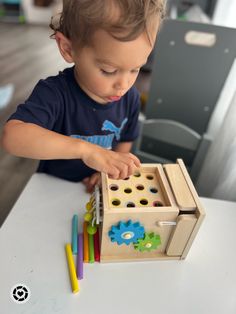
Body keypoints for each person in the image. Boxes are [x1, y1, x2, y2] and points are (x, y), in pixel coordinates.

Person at [1, 0, 165, 192]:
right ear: (68, 49)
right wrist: (86, 151)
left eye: (136, 69)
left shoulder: (131, 98)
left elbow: (125, 139)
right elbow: (12, 137)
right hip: (53, 188)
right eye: (108, 70)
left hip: (97, 190)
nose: (124, 85)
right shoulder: (54, 93)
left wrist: (110, 172)